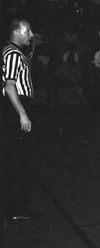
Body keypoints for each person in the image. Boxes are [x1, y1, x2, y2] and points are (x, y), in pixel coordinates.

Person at [1, 19, 41, 222]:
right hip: (17, 107)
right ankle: (17, 208)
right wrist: (22, 114)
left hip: (16, 107)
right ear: (17, 32)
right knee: (18, 159)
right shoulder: (13, 54)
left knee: (17, 158)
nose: (31, 35)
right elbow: (9, 86)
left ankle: (16, 207)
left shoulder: (11, 52)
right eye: (28, 31)